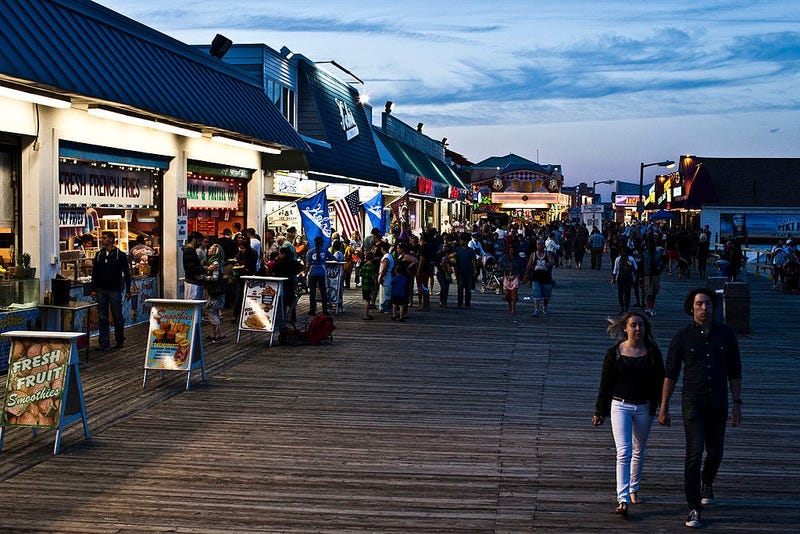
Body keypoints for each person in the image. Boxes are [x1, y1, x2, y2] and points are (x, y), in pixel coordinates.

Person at [658, 288, 743, 529]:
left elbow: (735, 371)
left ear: (714, 307)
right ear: (691, 308)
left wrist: (737, 403)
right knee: (694, 453)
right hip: (693, 401)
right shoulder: (682, 337)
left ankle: (708, 481)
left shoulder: (726, 335)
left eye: (707, 304)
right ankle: (694, 507)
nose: (704, 308)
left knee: (715, 451)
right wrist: (663, 406)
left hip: (718, 401)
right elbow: (671, 374)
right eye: (699, 304)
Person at [593, 312, 665, 518]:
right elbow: (605, 383)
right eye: (633, 325)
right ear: (625, 328)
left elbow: (661, 380)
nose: (637, 329)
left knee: (639, 449)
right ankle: (622, 498)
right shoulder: (614, 353)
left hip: (644, 406)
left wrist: (662, 407)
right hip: (620, 405)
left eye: (640, 326)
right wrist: (600, 411)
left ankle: (634, 487)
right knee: (624, 452)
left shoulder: (652, 352)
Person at [91, 231, 132, 351]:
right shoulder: (99, 255)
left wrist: (128, 289)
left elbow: (127, 273)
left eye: (104, 238)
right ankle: (104, 343)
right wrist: (94, 289)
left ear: (110, 240)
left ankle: (119, 340)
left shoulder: (120, 255)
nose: (102, 240)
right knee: (102, 317)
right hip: (101, 290)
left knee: (117, 316)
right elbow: (95, 273)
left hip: (115, 290)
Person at [202, 244, 227, 342]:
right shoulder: (215, 261)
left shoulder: (215, 262)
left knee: (211, 311)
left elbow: (215, 277)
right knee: (214, 311)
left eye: (211, 249)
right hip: (215, 290)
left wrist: (204, 277)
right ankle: (214, 334)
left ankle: (220, 332)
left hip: (215, 290)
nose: (208, 250)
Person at [305, 236, 334, 316]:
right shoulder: (325, 251)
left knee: (312, 293)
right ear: (322, 243)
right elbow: (332, 258)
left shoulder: (310, 252)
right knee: (323, 292)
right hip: (322, 272)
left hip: (313, 272)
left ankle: (312, 310)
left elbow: (308, 264)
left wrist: (305, 273)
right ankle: (325, 310)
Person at [524, 240, 554, 317]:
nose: (540, 246)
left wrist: (548, 264)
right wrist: (525, 276)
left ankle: (545, 308)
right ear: (536, 246)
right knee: (536, 293)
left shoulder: (548, 254)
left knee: (546, 295)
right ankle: (537, 309)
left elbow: (552, 262)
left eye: (541, 244)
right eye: (538, 244)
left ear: (544, 246)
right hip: (536, 277)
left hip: (546, 277)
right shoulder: (533, 254)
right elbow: (528, 265)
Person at [611, 246, 638, 314]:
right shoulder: (631, 258)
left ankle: (623, 308)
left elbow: (615, 269)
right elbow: (636, 268)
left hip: (621, 277)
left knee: (621, 293)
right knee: (627, 293)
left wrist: (613, 278)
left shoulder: (618, 259)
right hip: (628, 277)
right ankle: (626, 308)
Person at [182, 231, 205, 300]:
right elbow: (191, 268)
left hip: (193, 282)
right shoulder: (189, 251)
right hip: (193, 283)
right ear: (194, 239)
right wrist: (204, 269)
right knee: (192, 305)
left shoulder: (190, 250)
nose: (201, 243)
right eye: (200, 241)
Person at [454, 235, 475, 308]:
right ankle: (459, 303)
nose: (460, 241)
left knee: (468, 289)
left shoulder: (471, 250)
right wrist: (455, 272)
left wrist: (475, 270)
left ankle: (467, 304)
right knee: (460, 288)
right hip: (460, 272)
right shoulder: (457, 250)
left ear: (466, 241)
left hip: (469, 272)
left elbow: (473, 261)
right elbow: (455, 262)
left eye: (462, 240)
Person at [377, 241, 394, 314]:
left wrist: (380, 278)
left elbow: (384, 269)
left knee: (385, 295)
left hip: (386, 280)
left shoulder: (386, 258)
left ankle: (385, 308)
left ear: (382, 248)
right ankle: (384, 308)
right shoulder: (389, 256)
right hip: (387, 279)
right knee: (385, 295)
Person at [359, 251, 377, 320]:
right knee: (368, 301)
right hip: (369, 285)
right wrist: (375, 286)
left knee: (366, 300)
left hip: (364, 285)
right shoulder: (372, 266)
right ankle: (366, 315)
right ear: (372, 258)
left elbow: (360, 274)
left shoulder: (364, 266)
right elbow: (374, 277)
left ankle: (366, 314)